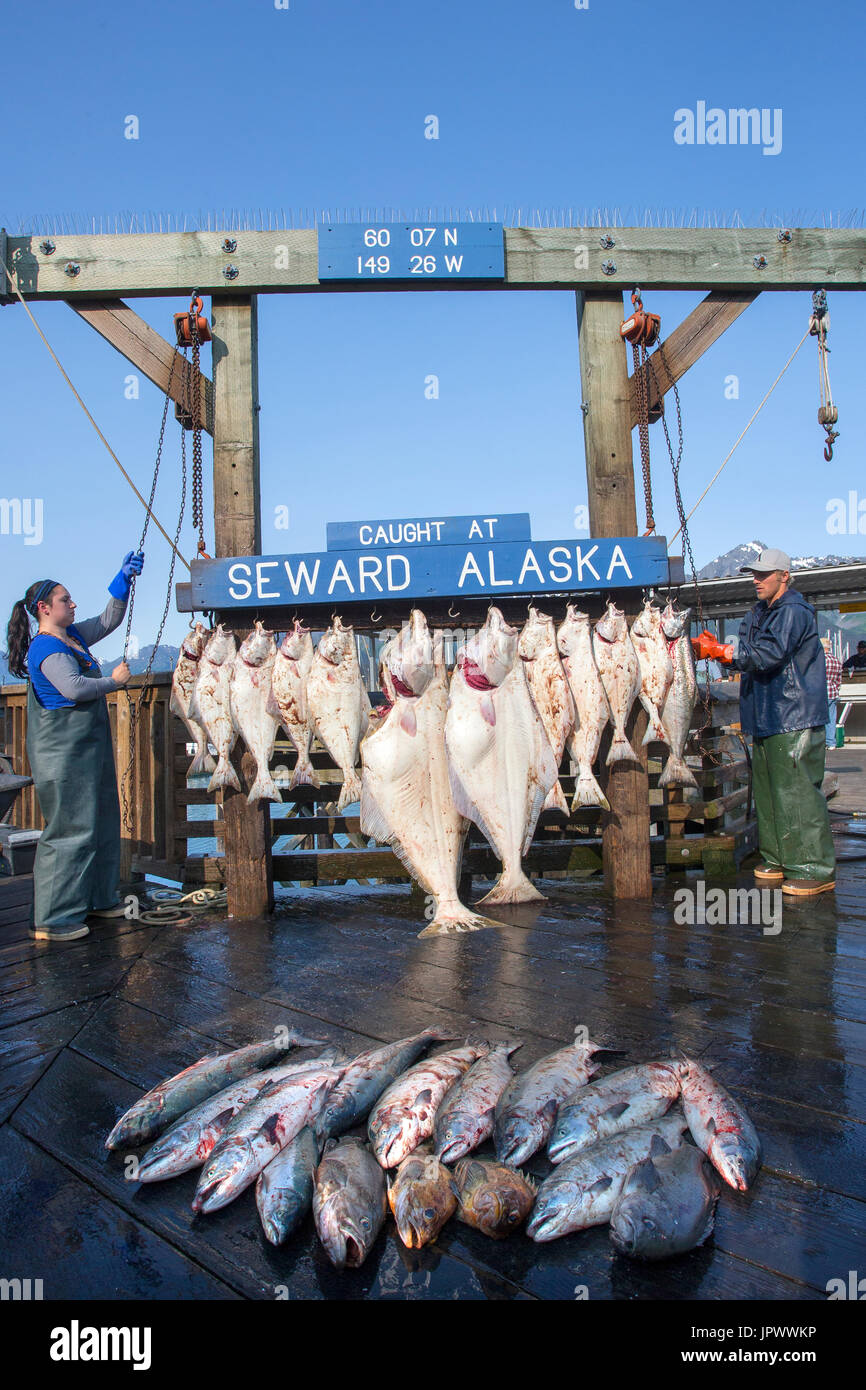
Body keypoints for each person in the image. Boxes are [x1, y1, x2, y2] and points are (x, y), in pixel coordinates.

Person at [4, 553, 144, 941]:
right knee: (69, 830)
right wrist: (114, 682)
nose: (73, 604)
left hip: (89, 751)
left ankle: (98, 898)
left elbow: (108, 620)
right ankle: (53, 918)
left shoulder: (74, 637)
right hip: (62, 757)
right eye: (66, 600)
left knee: (100, 822)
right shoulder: (46, 649)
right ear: (45, 609)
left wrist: (122, 581)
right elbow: (74, 688)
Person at [692, 547, 835, 898]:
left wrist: (724, 652)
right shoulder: (758, 612)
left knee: (798, 792)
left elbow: (768, 655)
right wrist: (724, 652)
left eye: (764, 575)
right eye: (754, 574)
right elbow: (748, 656)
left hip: (794, 715)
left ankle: (813, 867)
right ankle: (778, 858)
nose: (756, 580)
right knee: (769, 794)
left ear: (784, 576)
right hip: (763, 714)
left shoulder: (793, 611)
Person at [820, 637, 843, 750]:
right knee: (831, 718)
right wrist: (836, 688)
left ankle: (821, 741)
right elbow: (839, 680)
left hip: (821, 693)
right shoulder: (836, 660)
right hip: (833, 692)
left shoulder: (819, 659)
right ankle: (831, 742)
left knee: (820, 719)